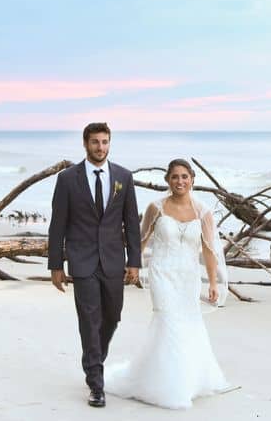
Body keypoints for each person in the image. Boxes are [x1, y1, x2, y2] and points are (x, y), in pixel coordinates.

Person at [105, 158, 230, 409]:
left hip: (188, 277)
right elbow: (140, 241)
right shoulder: (156, 208)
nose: (180, 181)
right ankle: (171, 388)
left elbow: (208, 251)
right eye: (175, 177)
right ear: (167, 180)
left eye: (184, 176)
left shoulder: (203, 212)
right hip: (161, 273)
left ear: (192, 179)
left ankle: (189, 379)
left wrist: (213, 283)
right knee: (167, 321)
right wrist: (132, 266)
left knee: (188, 323)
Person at [47, 122, 141, 408]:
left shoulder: (123, 177)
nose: (100, 147)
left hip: (113, 260)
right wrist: (56, 265)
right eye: (95, 142)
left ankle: (94, 358)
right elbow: (58, 224)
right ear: (85, 144)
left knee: (112, 316)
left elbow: (131, 223)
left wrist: (134, 261)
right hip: (82, 261)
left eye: (105, 142)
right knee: (89, 319)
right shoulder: (67, 179)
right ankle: (96, 383)